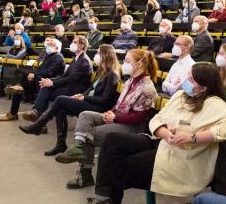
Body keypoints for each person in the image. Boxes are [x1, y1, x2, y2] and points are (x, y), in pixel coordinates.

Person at [74, 63, 226, 204]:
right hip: (161, 142)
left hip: (180, 158)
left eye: (192, 79)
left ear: (205, 86)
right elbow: (157, 119)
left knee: (117, 165)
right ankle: (102, 199)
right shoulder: (180, 96)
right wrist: (164, 132)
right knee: (112, 142)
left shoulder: (215, 104)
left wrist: (193, 137)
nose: (186, 81)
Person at [57, 49, 159, 187]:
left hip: (132, 127)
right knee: (85, 115)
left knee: (88, 135)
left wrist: (115, 118)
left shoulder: (147, 87)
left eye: (128, 61)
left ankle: (84, 174)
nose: (124, 64)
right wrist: (109, 113)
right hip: (118, 118)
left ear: (140, 64)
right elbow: (119, 105)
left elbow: (139, 117)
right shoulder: (130, 81)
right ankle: (77, 147)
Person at [21, 43, 120, 155]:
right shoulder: (101, 71)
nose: (96, 55)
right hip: (89, 101)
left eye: (98, 53)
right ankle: (60, 144)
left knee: (60, 99)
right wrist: (80, 95)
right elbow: (91, 88)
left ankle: (38, 125)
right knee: (60, 109)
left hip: (98, 106)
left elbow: (104, 100)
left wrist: (84, 98)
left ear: (106, 55)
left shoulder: (112, 75)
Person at [0, 36, 67, 121]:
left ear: (57, 47)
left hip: (49, 84)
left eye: (50, 44)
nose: (48, 45)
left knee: (35, 88)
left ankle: (41, 123)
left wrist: (35, 76)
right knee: (18, 88)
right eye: (48, 44)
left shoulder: (58, 58)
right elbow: (40, 70)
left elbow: (49, 72)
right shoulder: (50, 56)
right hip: (39, 82)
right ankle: (13, 114)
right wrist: (34, 74)